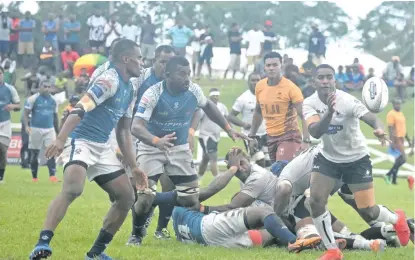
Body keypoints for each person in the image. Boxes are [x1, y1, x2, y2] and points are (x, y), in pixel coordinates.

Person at [29, 39, 147, 260]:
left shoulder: (130, 88)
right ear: (126, 59)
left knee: (126, 197)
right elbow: (80, 108)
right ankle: (41, 244)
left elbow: (123, 132)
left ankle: (95, 254)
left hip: (102, 146)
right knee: (74, 189)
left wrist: (134, 167)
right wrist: (61, 139)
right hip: (80, 140)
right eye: (139, 58)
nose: (142, 63)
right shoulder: (108, 81)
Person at [131, 56, 248, 246]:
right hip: (151, 148)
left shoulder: (193, 89)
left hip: (179, 148)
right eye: (182, 74)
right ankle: (136, 233)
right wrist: (156, 141)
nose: (187, 78)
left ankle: (176, 224)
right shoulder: (152, 94)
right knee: (144, 200)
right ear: (168, 75)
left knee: (190, 199)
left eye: (189, 73)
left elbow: (209, 106)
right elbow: (136, 127)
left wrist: (229, 129)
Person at [303, 64, 410, 260]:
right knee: (315, 201)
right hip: (327, 159)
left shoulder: (347, 100)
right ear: (314, 81)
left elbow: (371, 118)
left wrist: (378, 129)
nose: (325, 81)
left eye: (329, 77)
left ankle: (397, 218)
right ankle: (333, 250)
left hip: (356, 160)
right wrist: (328, 112)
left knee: (368, 211)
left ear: (335, 80)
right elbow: (315, 132)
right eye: (321, 78)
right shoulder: (309, 103)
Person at [127, 45, 178, 243]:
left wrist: (190, 132)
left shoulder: (178, 80)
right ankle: (138, 227)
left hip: (166, 140)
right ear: (153, 61)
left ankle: (161, 229)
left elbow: (198, 106)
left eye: (170, 62)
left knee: (170, 185)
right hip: (138, 137)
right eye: (163, 62)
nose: (167, 66)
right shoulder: (140, 79)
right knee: (139, 189)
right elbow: (127, 108)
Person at [249, 52, 311, 163]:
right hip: (271, 137)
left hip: (289, 136)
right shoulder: (260, 86)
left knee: (280, 169)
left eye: (275, 65)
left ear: (281, 66)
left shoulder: (291, 88)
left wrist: (306, 140)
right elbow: (258, 111)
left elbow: (304, 115)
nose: (271, 68)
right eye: (268, 65)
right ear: (264, 67)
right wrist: (252, 136)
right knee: (278, 174)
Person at [228, 73, 268, 166]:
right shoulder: (243, 98)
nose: (255, 82)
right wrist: (243, 124)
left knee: (268, 162)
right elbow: (230, 116)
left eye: (258, 80)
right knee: (259, 161)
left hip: (266, 134)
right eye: (253, 80)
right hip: (250, 136)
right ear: (248, 82)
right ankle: (250, 179)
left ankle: (253, 179)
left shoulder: (266, 95)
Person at [23, 80, 59, 183]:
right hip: (35, 128)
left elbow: (55, 116)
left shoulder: (54, 100)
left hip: (49, 129)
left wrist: (58, 131)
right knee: (34, 153)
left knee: (51, 152)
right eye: (44, 86)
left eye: (48, 87)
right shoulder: (32, 99)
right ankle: (34, 177)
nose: (47, 89)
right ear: (40, 87)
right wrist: (26, 125)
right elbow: (25, 114)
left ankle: (52, 176)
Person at [197, 88, 228, 177]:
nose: (215, 97)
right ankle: (217, 179)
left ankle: (199, 177)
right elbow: (197, 119)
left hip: (216, 136)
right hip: (206, 136)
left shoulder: (222, 107)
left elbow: (226, 119)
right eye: (213, 96)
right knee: (213, 157)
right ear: (210, 97)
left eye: (217, 96)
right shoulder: (205, 108)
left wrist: (231, 131)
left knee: (205, 158)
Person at [385, 98, 413, 185]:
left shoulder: (401, 114)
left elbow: (403, 128)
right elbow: (391, 128)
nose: (398, 105)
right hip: (396, 138)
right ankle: (388, 174)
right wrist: (392, 141)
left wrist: (408, 140)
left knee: (399, 160)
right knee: (403, 158)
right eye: (396, 104)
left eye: (399, 104)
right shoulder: (391, 114)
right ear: (393, 105)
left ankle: (393, 178)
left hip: (401, 138)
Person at [0, 66, 20, 183]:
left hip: (5, 124)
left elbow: (18, 105)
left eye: (0, 73)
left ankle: (1, 176)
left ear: (3, 75)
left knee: (2, 149)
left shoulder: (10, 89)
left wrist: (12, 106)